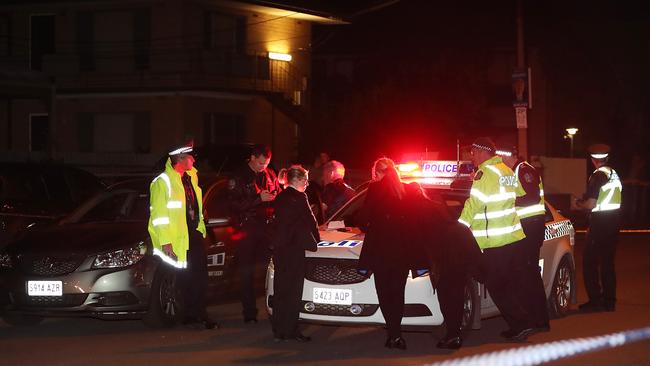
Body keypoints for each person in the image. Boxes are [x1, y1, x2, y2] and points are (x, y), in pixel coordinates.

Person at [458, 137, 532, 341]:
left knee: (497, 285)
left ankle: (521, 323)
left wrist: (459, 227)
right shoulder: (506, 170)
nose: (471, 156)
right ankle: (520, 323)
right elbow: (520, 192)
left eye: (473, 152)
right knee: (508, 284)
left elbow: (474, 204)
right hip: (512, 238)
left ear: (482, 152)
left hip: (495, 242)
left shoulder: (484, 174)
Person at [147, 140, 218, 329]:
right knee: (185, 278)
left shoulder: (191, 177)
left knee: (199, 278)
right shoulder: (162, 183)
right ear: (180, 158)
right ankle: (190, 315)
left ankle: (198, 314)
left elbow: (194, 205)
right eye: (190, 156)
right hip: (177, 239)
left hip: (193, 234)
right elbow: (159, 216)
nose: (194, 160)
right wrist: (166, 242)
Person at [357, 157, 425, 350]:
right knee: (397, 293)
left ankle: (393, 334)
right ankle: (397, 334)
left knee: (385, 293)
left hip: (380, 251)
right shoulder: (408, 190)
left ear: (378, 173)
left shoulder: (375, 189)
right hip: (403, 252)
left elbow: (363, 218)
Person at [497, 145, 550, 333]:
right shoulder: (517, 171)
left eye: (501, 157)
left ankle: (537, 320)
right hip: (528, 227)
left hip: (530, 227)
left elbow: (532, 197)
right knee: (527, 274)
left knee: (528, 275)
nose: (500, 161)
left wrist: (507, 201)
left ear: (507, 156)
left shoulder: (524, 169)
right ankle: (537, 320)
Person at [228, 144, 281, 323]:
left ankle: (277, 308)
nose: (263, 167)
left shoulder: (269, 174)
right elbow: (234, 205)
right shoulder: (239, 176)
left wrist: (275, 197)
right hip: (247, 228)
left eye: (266, 164)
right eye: (260, 164)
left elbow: (278, 193)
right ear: (252, 158)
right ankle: (249, 313)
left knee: (274, 268)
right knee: (247, 272)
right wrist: (258, 199)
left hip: (267, 227)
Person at [270, 165, 319, 342]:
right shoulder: (299, 197)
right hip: (294, 249)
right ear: (297, 180)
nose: (307, 184)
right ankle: (291, 330)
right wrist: (316, 240)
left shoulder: (280, 197)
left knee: (281, 289)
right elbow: (310, 220)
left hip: (280, 249)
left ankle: (279, 329)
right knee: (293, 291)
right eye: (305, 180)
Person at [575, 143, 622, 312]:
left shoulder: (598, 176)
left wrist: (579, 203)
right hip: (614, 222)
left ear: (593, 159)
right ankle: (610, 302)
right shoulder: (613, 173)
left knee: (590, 262)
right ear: (606, 157)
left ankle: (595, 300)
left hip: (600, 223)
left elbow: (591, 204)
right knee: (608, 263)